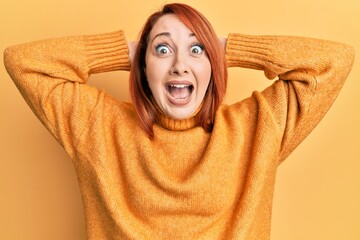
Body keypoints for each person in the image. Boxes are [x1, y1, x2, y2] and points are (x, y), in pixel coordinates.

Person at [3, 2, 354, 240]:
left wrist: (227, 48)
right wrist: (126, 51)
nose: (180, 65)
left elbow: (334, 61)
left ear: (213, 66)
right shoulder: (97, 125)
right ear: (143, 66)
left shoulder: (258, 127)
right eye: (162, 49)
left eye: (197, 50)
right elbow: (22, 61)